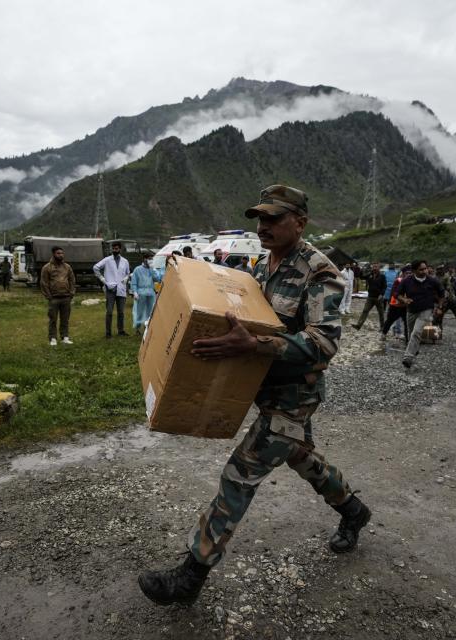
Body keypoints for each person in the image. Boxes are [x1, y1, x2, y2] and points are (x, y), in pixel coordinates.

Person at [138, 184, 370, 606]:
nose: (262, 226)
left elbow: (324, 343)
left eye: (273, 218)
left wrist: (255, 347)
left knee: (240, 474)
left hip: (295, 397)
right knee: (303, 458)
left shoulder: (321, 273)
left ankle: (192, 574)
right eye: (259, 218)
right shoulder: (263, 266)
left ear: (300, 222)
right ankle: (354, 511)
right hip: (263, 388)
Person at [395, 260, 444, 369]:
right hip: (411, 310)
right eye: (421, 269)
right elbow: (397, 294)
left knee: (416, 332)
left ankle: (407, 357)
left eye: (425, 268)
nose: (424, 271)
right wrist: (404, 299)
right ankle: (414, 350)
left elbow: (442, 294)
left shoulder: (432, 281)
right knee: (411, 333)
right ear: (414, 271)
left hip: (426, 309)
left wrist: (440, 307)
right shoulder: (407, 281)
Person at [93, 241, 131, 338]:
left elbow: (128, 273)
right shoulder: (107, 260)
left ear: (120, 249)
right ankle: (108, 333)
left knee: (121, 312)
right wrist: (103, 280)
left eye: (116, 248)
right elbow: (95, 268)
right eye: (113, 248)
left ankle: (121, 331)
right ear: (111, 249)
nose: (115, 250)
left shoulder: (125, 261)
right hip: (110, 289)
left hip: (121, 289)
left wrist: (126, 279)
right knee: (109, 312)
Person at [40, 246, 76, 346]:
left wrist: (71, 293)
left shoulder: (67, 267)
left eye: (62, 253)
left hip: (66, 297)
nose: (61, 255)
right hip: (54, 298)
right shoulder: (47, 267)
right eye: (58, 253)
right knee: (53, 319)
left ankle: (65, 337)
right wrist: (49, 296)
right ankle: (53, 338)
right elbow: (44, 283)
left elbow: (72, 280)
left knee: (65, 319)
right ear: (53, 254)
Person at [131, 253, 161, 335]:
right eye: (148, 258)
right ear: (144, 259)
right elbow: (134, 282)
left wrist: (153, 270)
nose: (150, 260)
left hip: (150, 292)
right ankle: (137, 328)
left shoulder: (152, 269)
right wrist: (135, 292)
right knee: (139, 311)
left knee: (150, 311)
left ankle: (147, 327)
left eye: (151, 259)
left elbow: (157, 279)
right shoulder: (137, 269)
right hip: (141, 293)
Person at [351, 263, 387, 331]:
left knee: (381, 313)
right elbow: (361, 277)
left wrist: (382, 294)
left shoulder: (382, 276)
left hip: (378, 297)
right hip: (370, 297)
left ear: (378, 268)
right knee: (365, 310)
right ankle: (358, 325)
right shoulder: (370, 275)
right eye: (373, 267)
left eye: (376, 267)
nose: (374, 268)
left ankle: (382, 327)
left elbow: (384, 286)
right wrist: (361, 269)